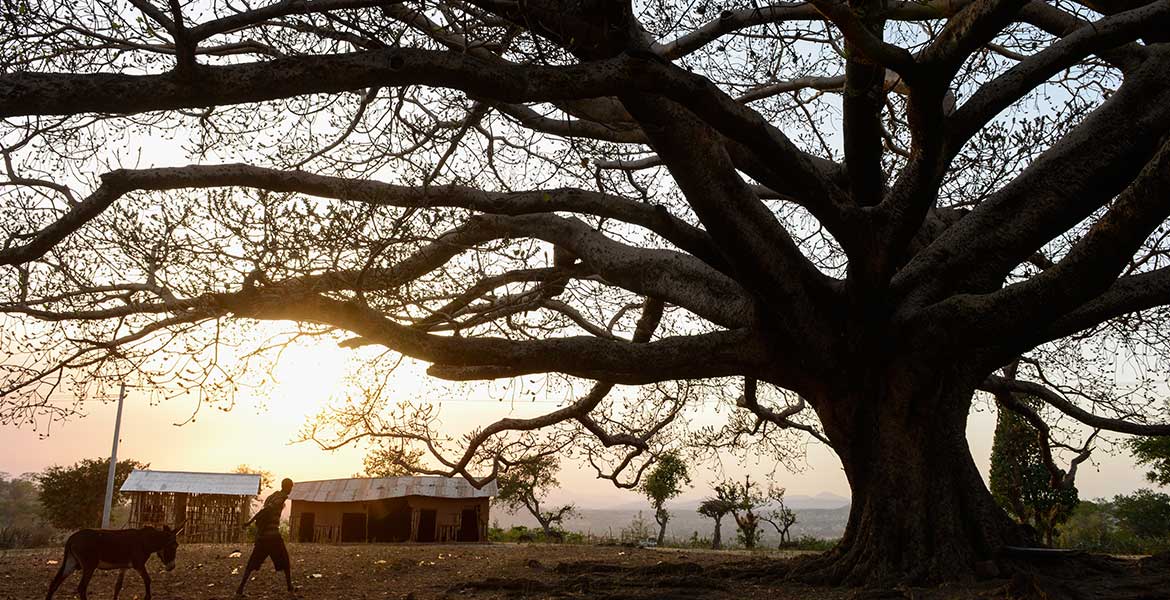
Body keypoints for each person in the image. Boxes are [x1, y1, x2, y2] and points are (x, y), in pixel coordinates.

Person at [236, 478, 294, 597]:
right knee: (285, 561)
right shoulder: (280, 498)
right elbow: (266, 511)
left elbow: (263, 510)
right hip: (272, 537)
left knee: (251, 563)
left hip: (262, 537)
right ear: (287, 486)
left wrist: (250, 523)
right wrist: (250, 522)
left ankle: (240, 588)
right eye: (291, 487)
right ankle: (290, 588)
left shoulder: (272, 496)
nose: (291, 490)